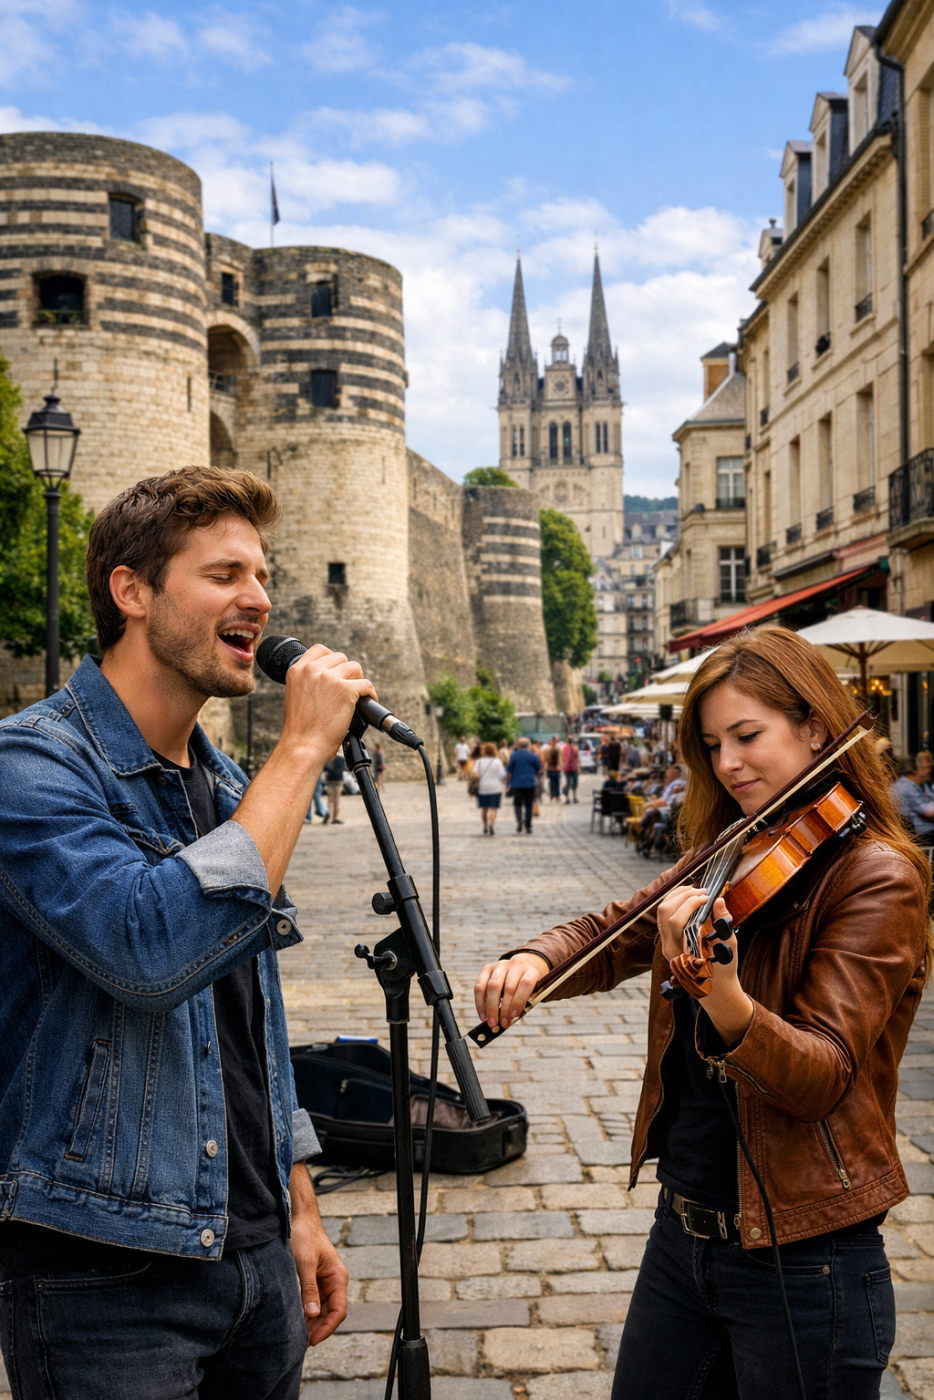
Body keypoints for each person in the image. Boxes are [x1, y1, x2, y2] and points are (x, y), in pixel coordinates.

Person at [474, 623, 930, 1400]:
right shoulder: (733, 846)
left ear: (815, 726)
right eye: (713, 744)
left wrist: (725, 997)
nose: (727, 763)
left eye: (747, 736)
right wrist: (539, 959)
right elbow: (614, 931)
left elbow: (821, 1075)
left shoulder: (876, 876)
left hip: (805, 1254)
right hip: (682, 1233)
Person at [0, 467, 372, 1399]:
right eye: (224, 574)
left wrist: (298, 1205)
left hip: (251, 1255)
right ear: (132, 591)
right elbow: (147, 949)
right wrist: (299, 752)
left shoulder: (233, 785)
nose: (260, 598)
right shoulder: (32, 765)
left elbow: (253, 1022)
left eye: (262, 574)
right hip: (104, 1270)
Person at [637, 764, 687, 857]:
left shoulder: (679, 787)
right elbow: (667, 801)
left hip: (673, 821)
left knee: (654, 818)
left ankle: (645, 842)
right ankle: (646, 843)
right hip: (671, 818)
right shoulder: (676, 786)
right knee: (653, 819)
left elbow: (669, 803)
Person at [892, 751, 934, 840]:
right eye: (927, 767)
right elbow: (929, 812)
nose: (930, 770)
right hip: (919, 834)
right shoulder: (907, 786)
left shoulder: (914, 785)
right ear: (917, 770)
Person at [506, 736, 543, 834]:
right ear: (528, 745)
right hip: (529, 783)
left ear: (518, 745)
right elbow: (539, 768)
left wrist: (508, 784)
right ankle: (528, 826)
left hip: (517, 783)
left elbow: (509, 770)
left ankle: (519, 819)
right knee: (528, 805)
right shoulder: (533, 756)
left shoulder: (514, 755)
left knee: (517, 803)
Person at [473, 741, 506, 835]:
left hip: (482, 788)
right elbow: (502, 775)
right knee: (494, 808)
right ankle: (491, 822)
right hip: (496, 788)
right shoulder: (497, 761)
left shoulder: (479, 761)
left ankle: (485, 826)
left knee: (484, 809)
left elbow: (474, 773)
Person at [323, 750, 346, 824]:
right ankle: (335, 818)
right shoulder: (341, 759)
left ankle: (328, 814)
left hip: (330, 780)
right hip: (338, 781)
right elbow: (341, 770)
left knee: (330, 799)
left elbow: (326, 768)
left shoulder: (330, 758)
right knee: (336, 800)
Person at [562, 736, 580, 803]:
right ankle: (574, 798)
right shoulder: (575, 748)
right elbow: (577, 758)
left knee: (568, 783)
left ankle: (567, 798)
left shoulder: (564, 748)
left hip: (567, 768)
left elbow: (563, 758)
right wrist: (578, 767)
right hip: (573, 768)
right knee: (574, 784)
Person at [545, 736, 563, 803]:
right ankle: (557, 796)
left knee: (552, 782)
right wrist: (560, 766)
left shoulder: (547, 749)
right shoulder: (559, 749)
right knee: (556, 783)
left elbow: (545, 759)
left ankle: (551, 795)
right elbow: (561, 759)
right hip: (557, 769)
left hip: (550, 768)